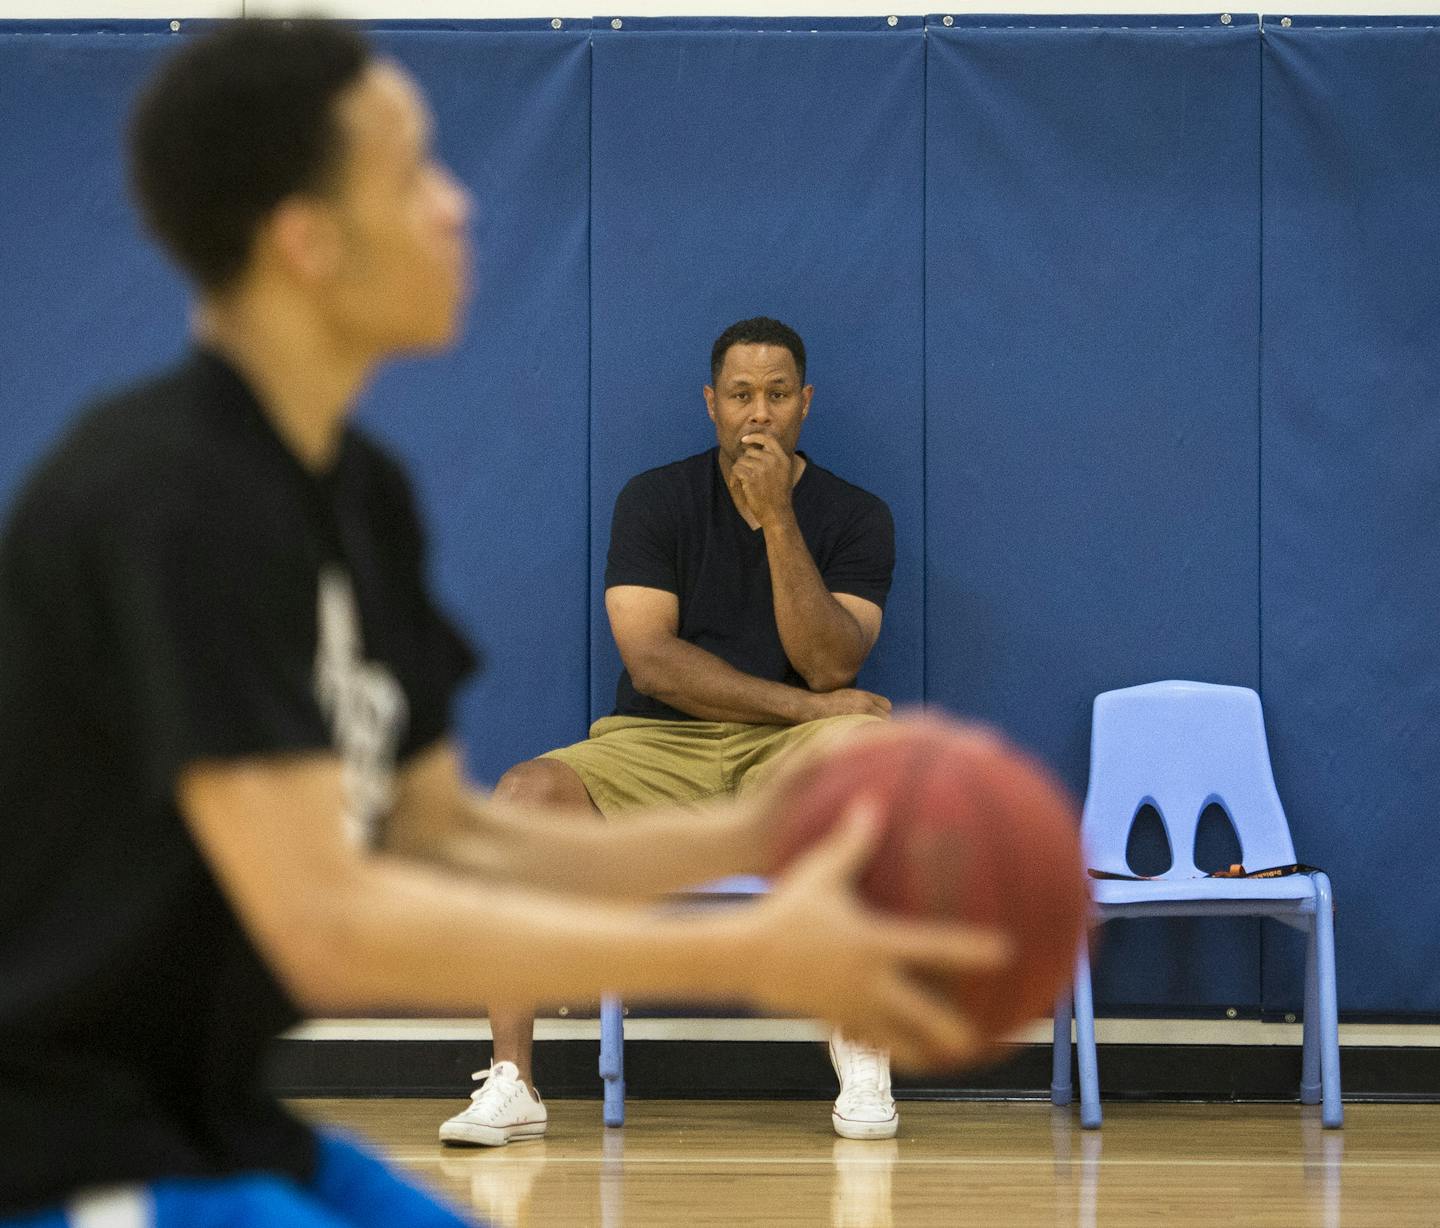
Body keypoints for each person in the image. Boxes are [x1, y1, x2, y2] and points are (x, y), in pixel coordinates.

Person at [0, 21, 1006, 1228]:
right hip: (77, 1139)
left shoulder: (359, 498)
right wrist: (748, 953)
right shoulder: (175, 502)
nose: (456, 204)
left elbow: (452, 839)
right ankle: (510, 1078)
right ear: (304, 240)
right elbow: (327, 923)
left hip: (214, 1110)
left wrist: (783, 827)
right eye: (409, 174)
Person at [442, 317, 903, 1147]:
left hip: (791, 757)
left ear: (805, 403)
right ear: (710, 404)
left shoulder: (856, 516)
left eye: (775, 395)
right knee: (522, 796)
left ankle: (863, 1049)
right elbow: (653, 662)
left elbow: (832, 666)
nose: (756, 414)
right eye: (739, 395)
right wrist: (808, 708)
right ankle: (513, 1080)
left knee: (868, 760)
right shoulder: (654, 499)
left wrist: (778, 522)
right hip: (661, 740)